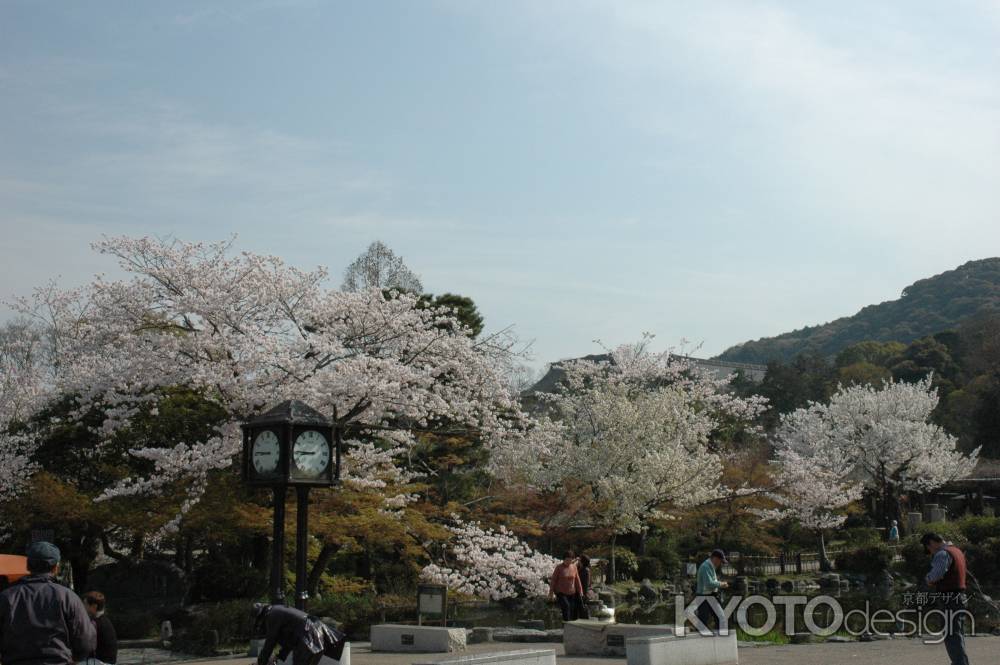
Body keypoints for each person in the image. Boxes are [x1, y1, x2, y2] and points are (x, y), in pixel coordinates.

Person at [0, 541, 96, 664]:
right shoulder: (67, 597)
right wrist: (75, 658)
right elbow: (86, 641)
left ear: (28, 566)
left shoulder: (6, 597)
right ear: (56, 567)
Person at [921, 533, 972, 665]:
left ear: (931, 543)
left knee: (951, 635)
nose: (930, 552)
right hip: (960, 596)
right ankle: (960, 662)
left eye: (928, 548)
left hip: (950, 598)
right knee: (957, 633)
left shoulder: (942, 554)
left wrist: (928, 579)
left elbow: (935, 575)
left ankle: (960, 663)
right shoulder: (957, 550)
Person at [252, 603, 347, 665]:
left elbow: (270, 641)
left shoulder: (272, 614)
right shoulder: (280, 611)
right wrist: (278, 657)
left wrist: (261, 662)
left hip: (308, 639)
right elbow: (290, 642)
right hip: (318, 638)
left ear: (261, 615)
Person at [694, 549, 728, 633]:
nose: (720, 563)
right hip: (703, 596)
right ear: (715, 558)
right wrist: (721, 584)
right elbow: (708, 583)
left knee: (721, 618)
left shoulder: (710, 566)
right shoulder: (706, 566)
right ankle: (701, 643)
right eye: (720, 561)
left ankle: (720, 639)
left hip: (712, 595)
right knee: (703, 621)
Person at [82, 591, 118, 665]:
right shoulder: (104, 620)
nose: (83, 608)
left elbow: (85, 647)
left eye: (85, 605)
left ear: (94, 607)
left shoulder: (95, 624)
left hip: (101, 662)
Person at [549, 551, 583, 622]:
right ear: (564, 559)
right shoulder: (559, 567)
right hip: (561, 592)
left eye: (570, 560)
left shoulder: (574, 567)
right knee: (566, 606)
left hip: (572, 592)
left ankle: (573, 625)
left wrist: (580, 591)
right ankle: (566, 623)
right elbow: (553, 580)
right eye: (567, 560)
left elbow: (577, 579)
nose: (569, 561)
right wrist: (551, 592)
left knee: (572, 608)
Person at [575, 555, 592, 620]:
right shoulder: (581, 569)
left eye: (579, 560)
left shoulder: (585, 570)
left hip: (582, 594)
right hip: (580, 593)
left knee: (582, 613)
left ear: (582, 561)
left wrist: (582, 595)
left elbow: (584, 584)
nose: (578, 561)